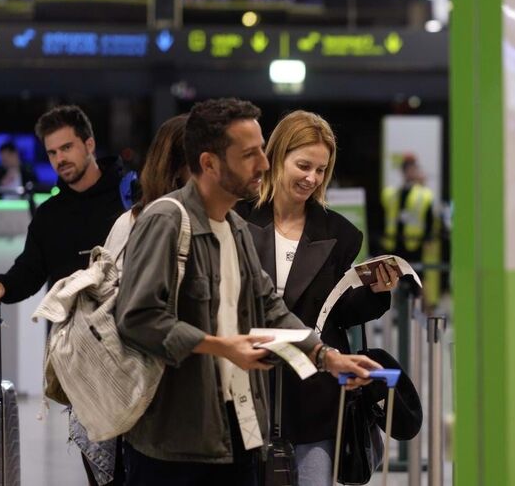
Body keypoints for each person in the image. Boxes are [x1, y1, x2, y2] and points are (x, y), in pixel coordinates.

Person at [114, 99, 379, 486]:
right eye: (250, 154)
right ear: (210, 163)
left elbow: (269, 306)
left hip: (238, 433)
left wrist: (327, 357)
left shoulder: (235, 228)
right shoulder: (167, 220)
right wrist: (222, 346)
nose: (263, 163)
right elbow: (138, 319)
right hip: (176, 443)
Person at [237, 110, 397, 486]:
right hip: (248, 386)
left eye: (321, 170)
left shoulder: (340, 233)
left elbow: (338, 311)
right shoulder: (236, 219)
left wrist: (377, 292)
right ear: (278, 157)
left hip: (314, 392)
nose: (311, 178)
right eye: (303, 165)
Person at [0, 105, 130, 483]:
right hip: (79, 357)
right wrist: (4, 285)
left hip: (131, 349)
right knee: (98, 467)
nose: (60, 158)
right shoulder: (50, 215)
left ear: (89, 144)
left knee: (140, 464)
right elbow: (31, 269)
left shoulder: (128, 199)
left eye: (67, 148)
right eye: (52, 152)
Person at [71, 114, 190, 486]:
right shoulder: (142, 223)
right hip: (134, 392)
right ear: (181, 166)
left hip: (156, 396)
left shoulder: (139, 220)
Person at [381, 153, 436, 261]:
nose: (409, 172)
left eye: (412, 168)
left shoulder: (424, 194)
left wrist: (428, 239)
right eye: (406, 168)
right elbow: (382, 216)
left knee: (414, 275)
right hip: (393, 242)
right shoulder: (390, 193)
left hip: (414, 244)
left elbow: (429, 219)